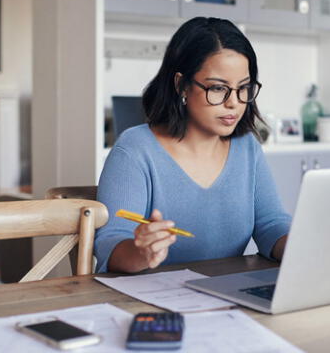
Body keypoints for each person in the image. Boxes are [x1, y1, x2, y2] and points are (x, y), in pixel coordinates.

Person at [95, 17, 292, 273]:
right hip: (152, 303)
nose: (233, 103)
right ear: (181, 85)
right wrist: (140, 251)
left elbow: (270, 224)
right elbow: (110, 244)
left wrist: (303, 246)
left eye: (244, 88)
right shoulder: (135, 149)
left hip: (226, 296)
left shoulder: (247, 147)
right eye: (219, 88)